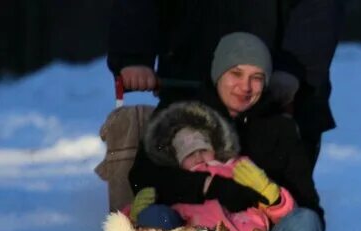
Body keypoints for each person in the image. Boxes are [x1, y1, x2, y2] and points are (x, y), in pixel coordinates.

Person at [129, 32, 322, 231]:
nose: (245, 87)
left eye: (257, 78)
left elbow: (306, 202)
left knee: (306, 221)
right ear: (219, 73)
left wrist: (268, 194)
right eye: (236, 74)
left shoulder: (279, 129)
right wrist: (211, 186)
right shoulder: (183, 115)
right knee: (154, 215)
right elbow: (143, 176)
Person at [107, 0, 340, 166]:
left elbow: (317, 10)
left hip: (278, 92)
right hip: (189, 84)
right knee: (180, 198)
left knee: (279, 202)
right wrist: (133, 56)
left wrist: (292, 70)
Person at [132, 100, 296, 231]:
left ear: (215, 148)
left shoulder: (238, 168)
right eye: (189, 155)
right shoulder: (177, 185)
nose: (198, 157)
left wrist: (271, 196)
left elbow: (285, 215)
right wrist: (134, 216)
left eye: (203, 150)